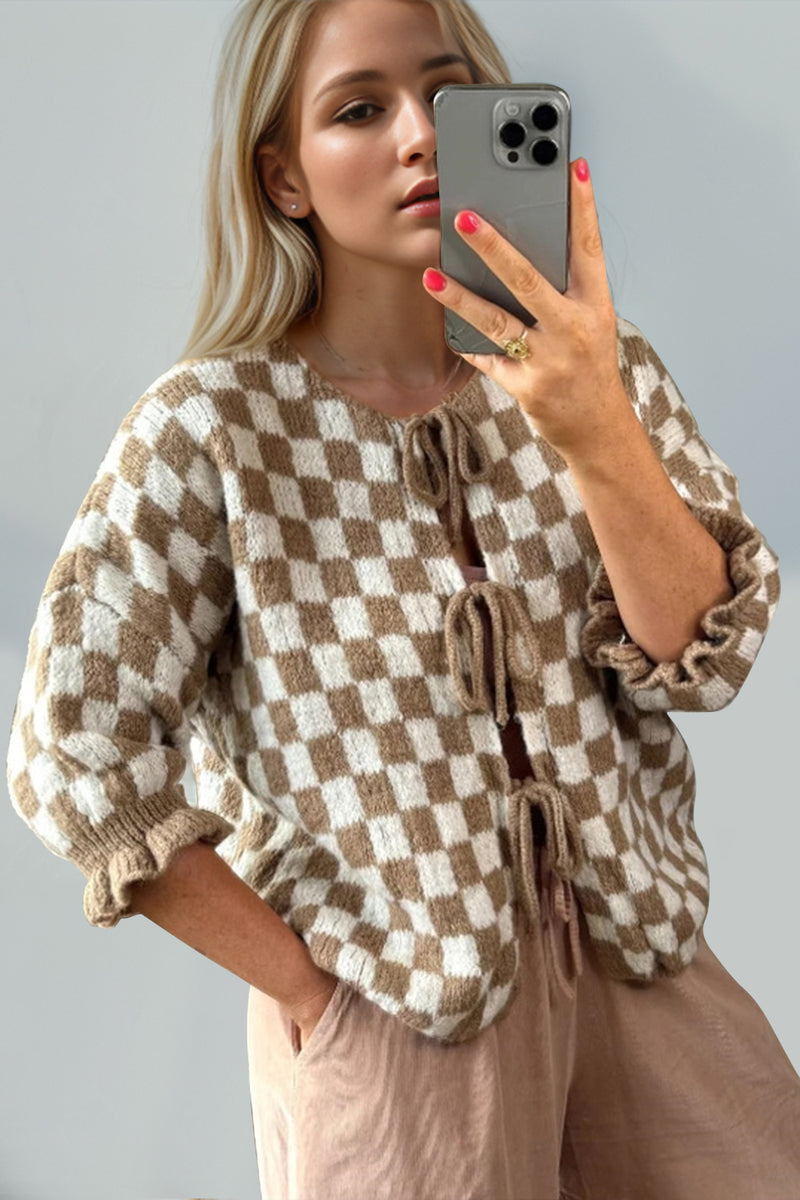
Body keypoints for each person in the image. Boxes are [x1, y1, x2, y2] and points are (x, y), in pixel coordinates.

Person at [5, 0, 799, 1197]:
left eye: (444, 91)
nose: (418, 134)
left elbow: (705, 653)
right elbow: (72, 750)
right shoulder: (209, 431)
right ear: (282, 178)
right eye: (358, 110)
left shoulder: (600, 367)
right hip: (401, 1026)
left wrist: (591, 425)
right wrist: (307, 990)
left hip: (645, 970)